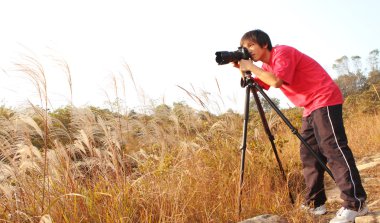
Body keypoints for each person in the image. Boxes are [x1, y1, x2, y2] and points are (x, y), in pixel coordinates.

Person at [234, 29, 368, 223]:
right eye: (244, 47)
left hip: (324, 98)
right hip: (309, 107)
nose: (248, 50)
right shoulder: (265, 65)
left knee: (333, 149)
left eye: (250, 45)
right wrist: (242, 68)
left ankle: (356, 204)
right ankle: (316, 203)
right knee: (309, 155)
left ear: (264, 44)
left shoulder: (282, 53)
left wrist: (252, 67)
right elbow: (259, 84)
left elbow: (276, 81)